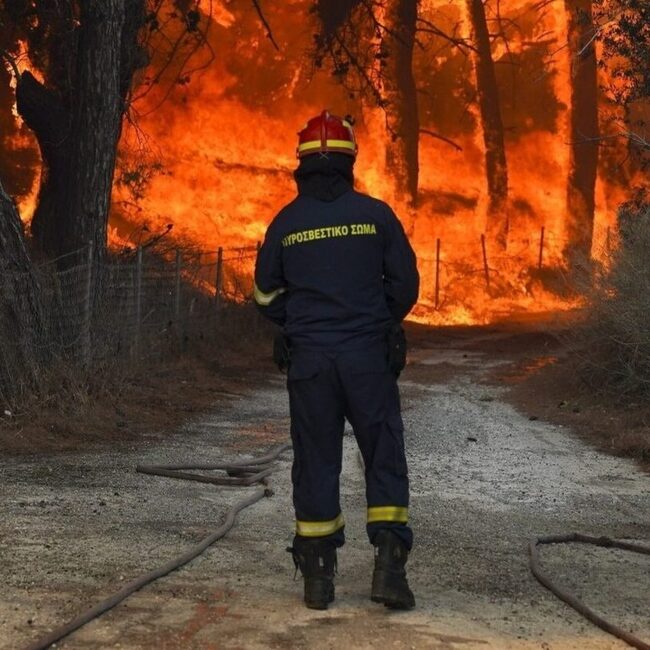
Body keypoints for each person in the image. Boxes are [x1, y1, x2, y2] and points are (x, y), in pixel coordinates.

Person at [254, 110, 419, 610]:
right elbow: (406, 286)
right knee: (383, 453)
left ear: (301, 164)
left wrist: (297, 322)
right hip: (368, 359)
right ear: (350, 162)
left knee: (316, 460)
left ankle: (318, 579)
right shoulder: (376, 216)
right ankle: (388, 571)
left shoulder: (286, 223)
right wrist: (379, 321)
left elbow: (264, 294)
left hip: (311, 364)